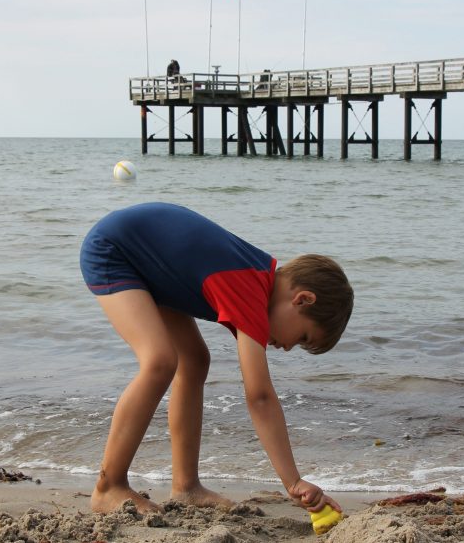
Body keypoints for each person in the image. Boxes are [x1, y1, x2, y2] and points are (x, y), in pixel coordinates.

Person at [79, 202, 353, 516]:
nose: (289, 348)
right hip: (116, 252)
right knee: (160, 361)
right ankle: (109, 485)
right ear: (301, 299)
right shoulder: (249, 288)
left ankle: (186, 486)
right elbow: (260, 397)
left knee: (194, 361)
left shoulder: (255, 281)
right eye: (303, 337)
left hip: (155, 266)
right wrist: (293, 481)